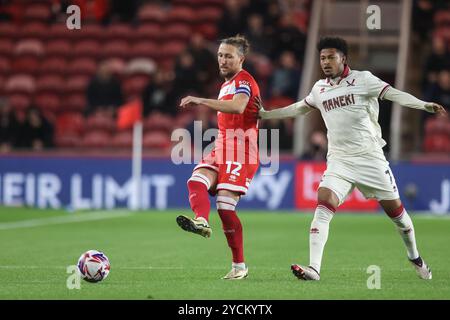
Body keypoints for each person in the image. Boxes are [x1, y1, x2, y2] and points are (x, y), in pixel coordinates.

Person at [258, 36, 447, 281]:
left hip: (370, 158)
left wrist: (424, 106)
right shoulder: (319, 89)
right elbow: (298, 108)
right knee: (323, 202)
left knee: (398, 216)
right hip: (339, 160)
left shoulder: (364, 79)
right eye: (322, 57)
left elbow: (394, 94)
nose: (325, 62)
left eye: (330, 57)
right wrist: (266, 114)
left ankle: (415, 257)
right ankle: (314, 268)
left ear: (343, 58)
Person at [176, 35, 261, 280]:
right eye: (220, 55)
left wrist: (199, 99)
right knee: (196, 180)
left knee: (225, 207)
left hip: (242, 150)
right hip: (222, 146)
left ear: (241, 59)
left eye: (228, 56)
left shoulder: (243, 80)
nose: (222, 60)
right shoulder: (226, 84)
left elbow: (237, 107)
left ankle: (239, 267)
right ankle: (201, 220)